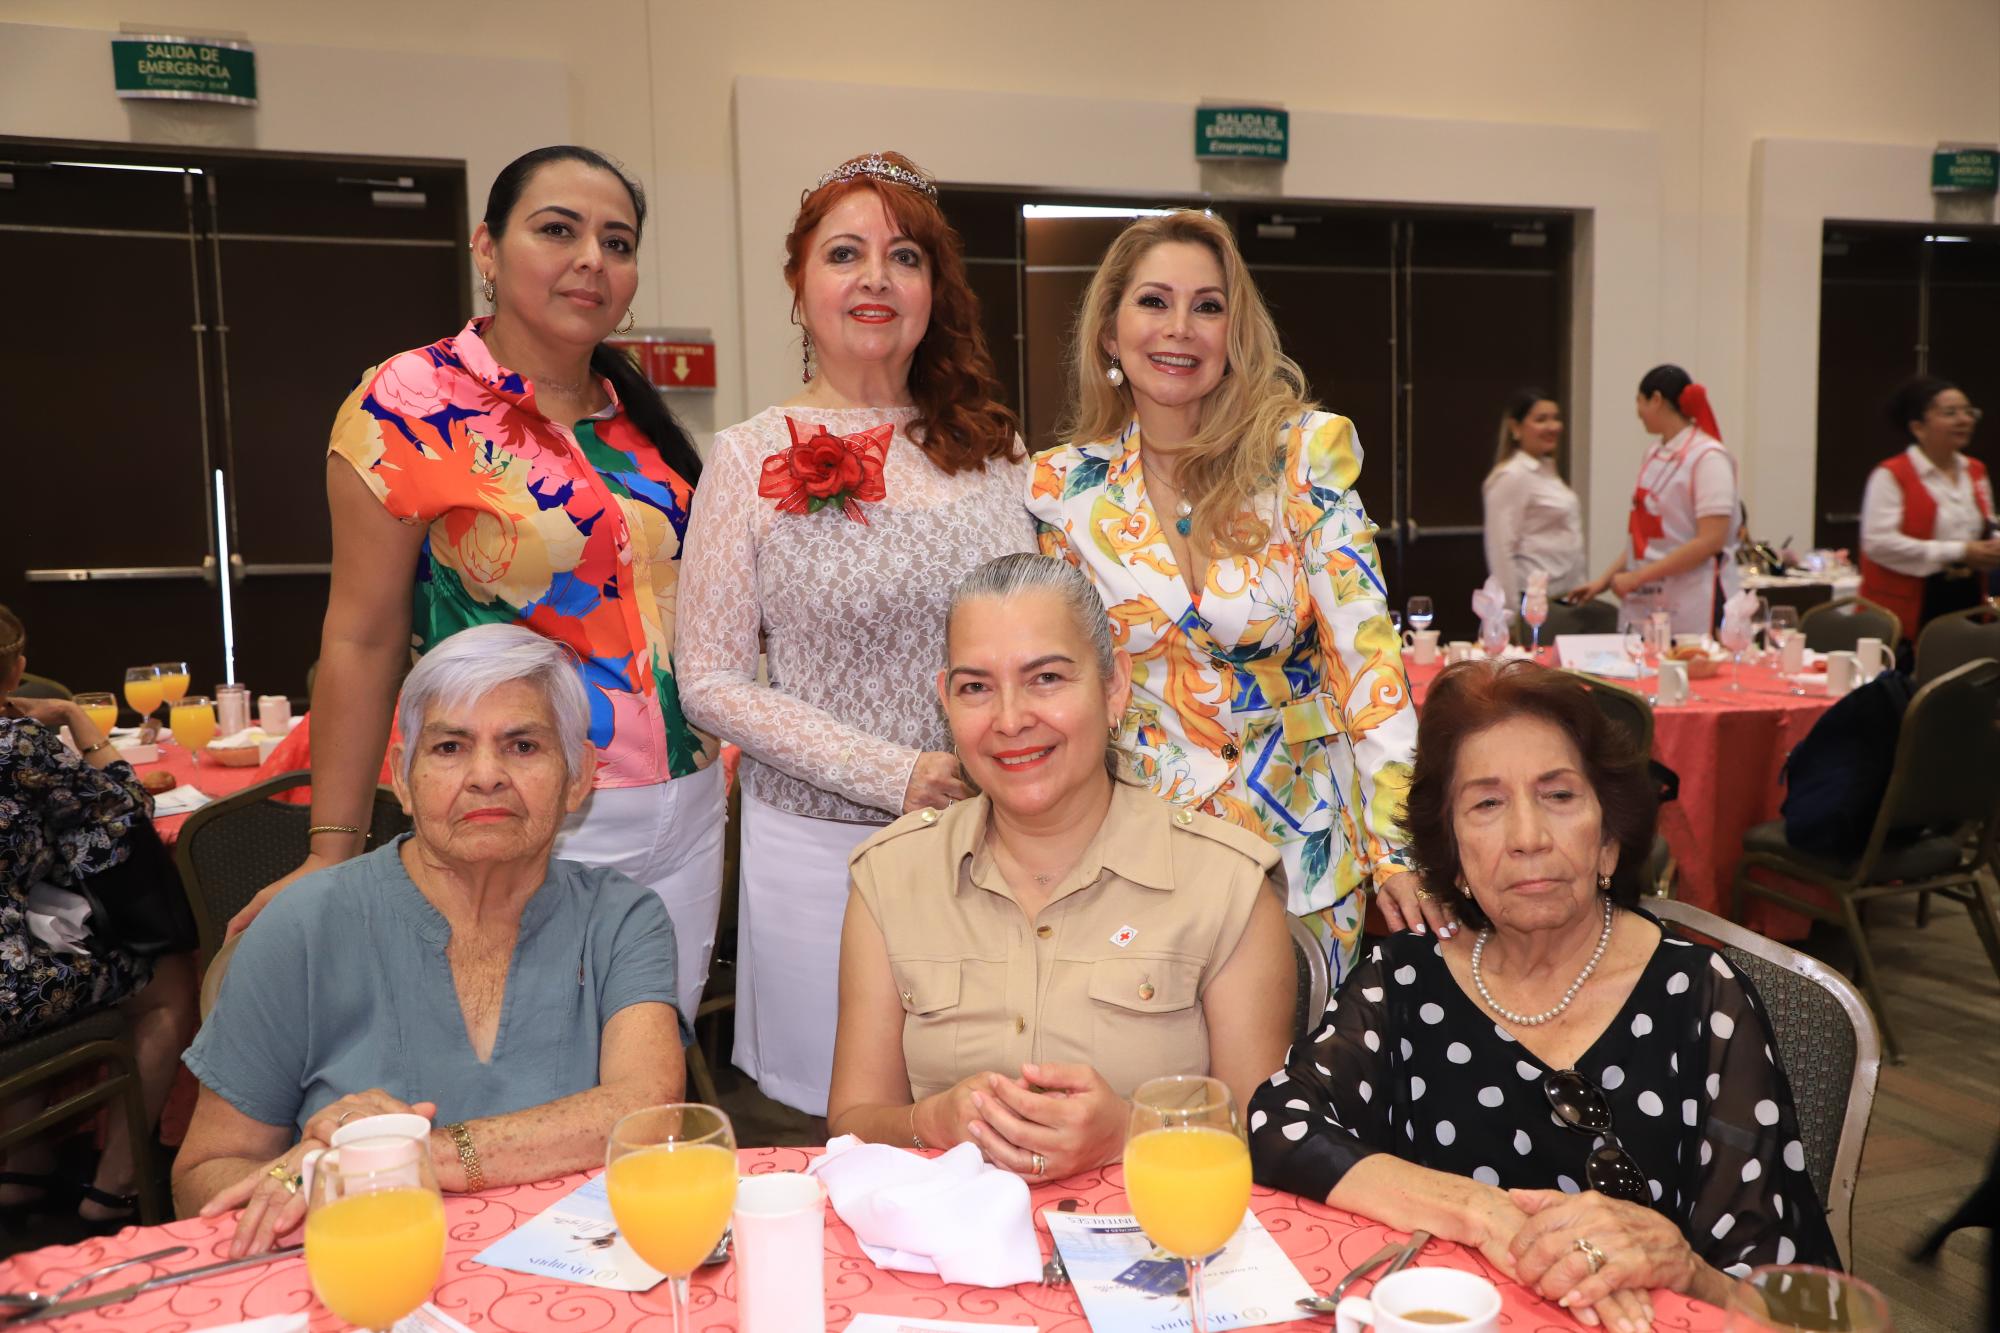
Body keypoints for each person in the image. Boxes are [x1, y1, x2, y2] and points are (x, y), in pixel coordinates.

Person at [229, 146, 724, 1025]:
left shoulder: (636, 418)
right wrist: (331, 849)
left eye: (617, 241)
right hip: (518, 807)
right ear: (487, 248)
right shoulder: (409, 402)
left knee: (647, 1077)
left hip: (687, 808)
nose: (590, 260)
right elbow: (362, 637)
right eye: (557, 230)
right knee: (523, 1079)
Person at [1249, 661, 1837, 1332]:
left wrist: (1684, 1266)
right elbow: (1279, 1125)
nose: (1527, 837)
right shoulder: (1407, 978)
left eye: (1559, 795)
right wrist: (1484, 1210)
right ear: (1454, 850)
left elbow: (1785, 1300)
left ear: (1609, 836)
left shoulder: (1701, 997)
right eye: (1487, 804)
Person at [677, 151, 1035, 1116]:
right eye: (846, 253)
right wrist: (893, 774)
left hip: (991, 846)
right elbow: (706, 679)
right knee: (839, 1121)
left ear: (933, 289)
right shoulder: (748, 456)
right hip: (818, 856)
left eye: (904, 255)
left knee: (980, 1113)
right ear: (800, 285)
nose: (876, 277)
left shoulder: (997, 452)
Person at [172, 625, 686, 1256]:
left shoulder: (620, 917)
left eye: (523, 745)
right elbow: (202, 1177)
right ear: (404, 782)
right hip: (369, 1282)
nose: (486, 776)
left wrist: (396, 1155)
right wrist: (297, 1177)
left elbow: (649, 1113)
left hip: (574, 1284)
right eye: (449, 747)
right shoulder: (305, 924)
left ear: (578, 778)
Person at [1027, 209, 1439, 987]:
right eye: (1153, 302)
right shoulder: (1064, 488)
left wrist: (1398, 846)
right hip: (1146, 848)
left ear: (1233, 335)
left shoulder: (1302, 456)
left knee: (1302, 1089)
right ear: (1110, 334)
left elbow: (1369, 659)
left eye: (1207, 306)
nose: (1180, 328)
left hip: (1305, 846)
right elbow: (1070, 681)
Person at [827, 555, 1292, 1179]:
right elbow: (853, 1120)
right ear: (945, 702)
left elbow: (1266, 1140)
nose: (1011, 718)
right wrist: (929, 1122)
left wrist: (1130, 1132)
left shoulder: (1226, 886)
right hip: (951, 1261)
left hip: (1163, 1248)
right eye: (975, 687)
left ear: (1114, 686)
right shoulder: (891, 877)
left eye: (1046, 678)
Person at [0, 605, 197, 1229]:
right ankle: (116, 1185)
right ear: (18, 672)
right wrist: (76, 720)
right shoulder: (16, 744)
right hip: (5, 996)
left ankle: (22, 1166)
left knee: (42, 950)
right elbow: (124, 811)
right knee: (164, 980)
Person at [1570, 365, 1739, 635]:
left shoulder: (1709, 458)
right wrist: (1604, 581)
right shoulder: (1653, 453)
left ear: (1656, 399)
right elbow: (1643, 539)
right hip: (1647, 597)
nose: (1637, 412)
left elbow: (1711, 540)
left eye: (1639, 401)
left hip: (1693, 598)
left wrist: (1637, 577)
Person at [1858, 374, 1998, 641]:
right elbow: (1878, 543)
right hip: (1910, 604)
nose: (1964, 420)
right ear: (1918, 427)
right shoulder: (1892, 474)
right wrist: (1959, 550)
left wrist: (1991, 546)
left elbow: (1986, 524)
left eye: (1969, 412)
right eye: (1950, 413)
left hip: (1966, 596)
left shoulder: (1975, 470)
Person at [1482, 389, 1587, 611]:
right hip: (1533, 602)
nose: (1553, 427)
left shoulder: (1547, 471)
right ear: (1516, 428)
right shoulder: (1513, 475)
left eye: (1555, 418)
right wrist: (1510, 616)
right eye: (1541, 420)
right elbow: (1501, 550)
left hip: (1566, 597)